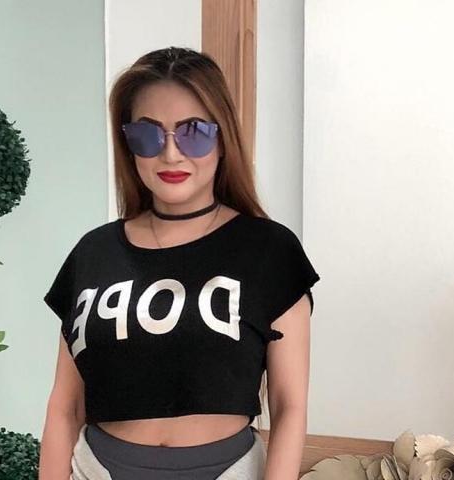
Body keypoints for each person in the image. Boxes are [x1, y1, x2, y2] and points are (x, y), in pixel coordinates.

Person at [39, 46, 321, 480]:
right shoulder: (93, 253)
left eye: (193, 132)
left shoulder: (270, 250)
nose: (170, 154)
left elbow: (289, 407)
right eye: (147, 135)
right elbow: (65, 406)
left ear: (223, 138)